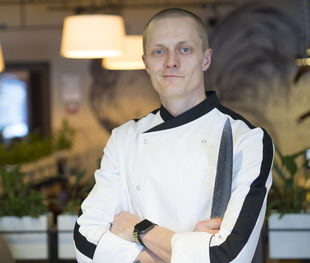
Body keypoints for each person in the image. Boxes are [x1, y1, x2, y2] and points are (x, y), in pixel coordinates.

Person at [74, 8, 273, 263]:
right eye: (159, 51)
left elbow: (228, 256)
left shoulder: (246, 140)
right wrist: (185, 248)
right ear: (146, 63)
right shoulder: (124, 139)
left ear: (206, 59)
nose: (171, 61)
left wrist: (137, 229)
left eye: (185, 49)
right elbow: (85, 241)